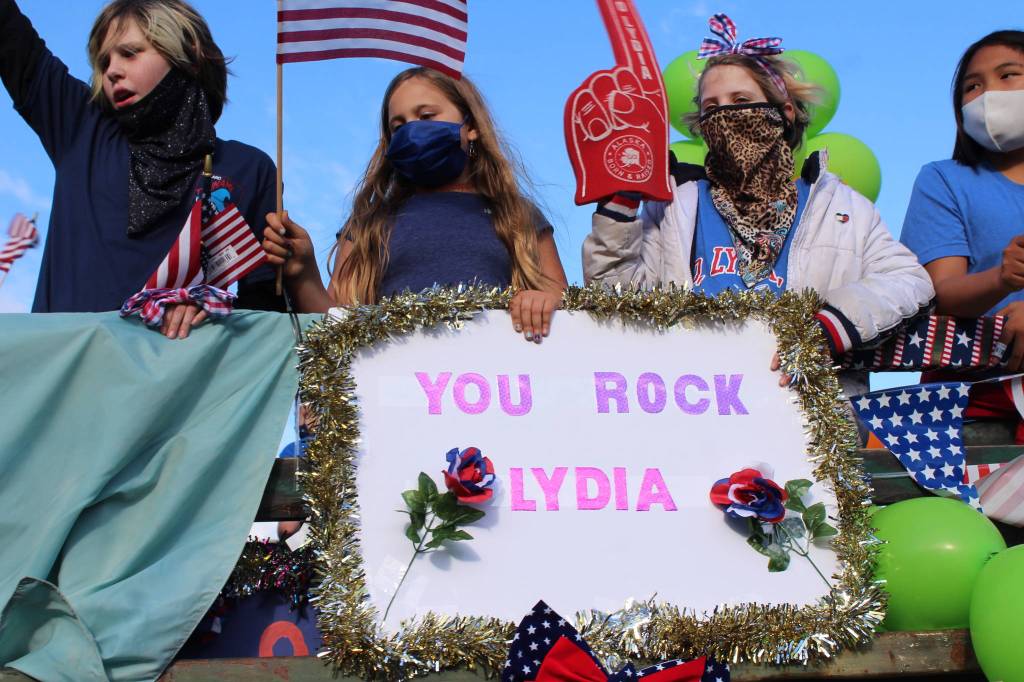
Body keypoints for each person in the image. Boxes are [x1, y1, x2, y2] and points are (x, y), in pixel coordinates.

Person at [583, 14, 933, 396]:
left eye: (742, 101)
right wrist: (619, 208)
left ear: (783, 113)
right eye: (710, 106)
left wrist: (830, 326)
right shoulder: (673, 208)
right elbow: (616, 298)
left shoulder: (840, 207)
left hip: (807, 412)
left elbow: (907, 280)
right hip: (696, 402)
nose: (724, 115)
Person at [0, 0, 282, 339]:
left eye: (130, 53)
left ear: (189, 55)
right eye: (104, 62)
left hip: (172, 381)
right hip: (62, 373)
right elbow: (11, 37)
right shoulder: (81, 128)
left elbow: (267, 310)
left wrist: (211, 310)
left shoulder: (249, 168)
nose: (111, 70)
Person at [262, 67, 568, 343]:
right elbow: (334, 325)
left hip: (495, 388)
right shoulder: (369, 224)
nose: (412, 131)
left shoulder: (516, 215)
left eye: (426, 117)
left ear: (471, 126)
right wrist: (302, 273)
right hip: (398, 397)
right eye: (399, 126)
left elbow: (562, 300)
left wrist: (543, 300)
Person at [900, 31, 1024, 370]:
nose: (988, 94)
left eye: (1008, 75)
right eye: (973, 87)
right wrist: (1002, 278)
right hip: (975, 398)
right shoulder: (942, 179)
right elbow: (940, 293)